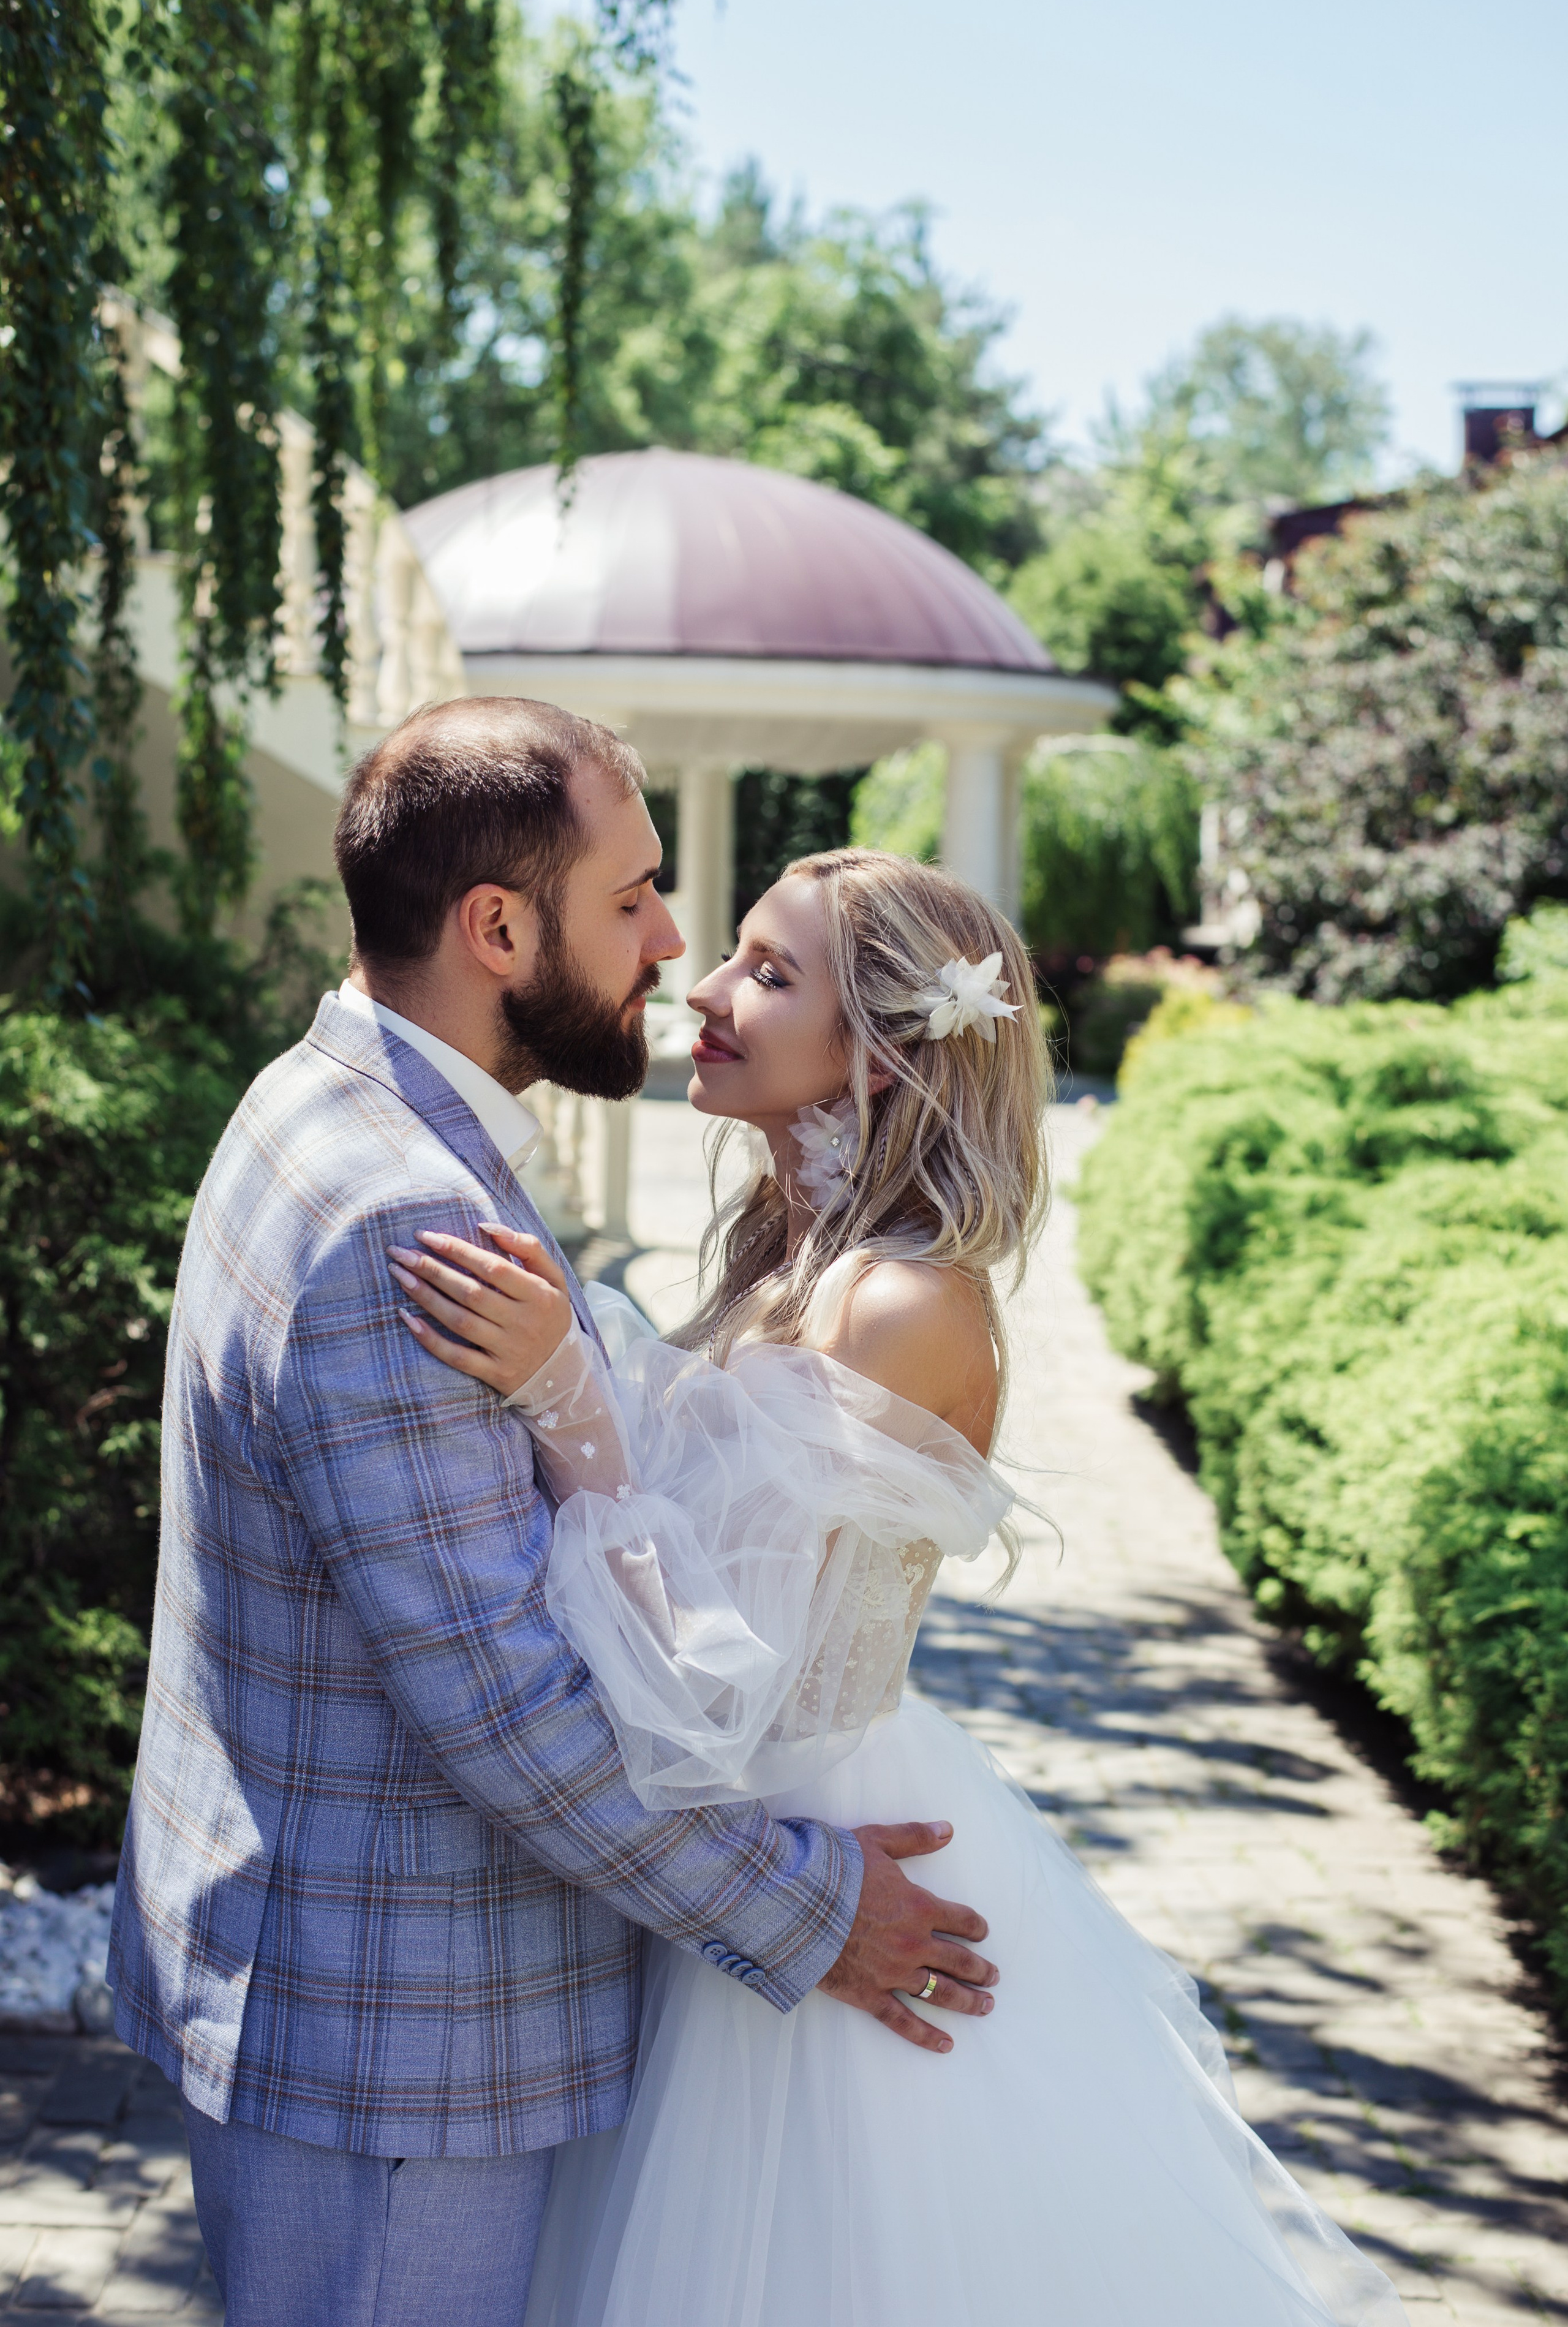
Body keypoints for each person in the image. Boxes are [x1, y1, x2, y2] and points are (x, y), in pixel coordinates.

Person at [394, 845, 1410, 2327]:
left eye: (770, 970)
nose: (710, 988)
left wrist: (564, 1392)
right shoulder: (791, 1252)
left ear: (880, 1052)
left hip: (828, 1856)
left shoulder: (903, 1303)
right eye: (734, 953)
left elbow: (715, 1678)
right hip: (731, 1856)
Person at [107, 701, 999, 2327]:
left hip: (402, 1989)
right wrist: (811, 1912)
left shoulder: (335, 1100)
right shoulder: (405, 1219)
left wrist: (583, 1405)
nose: (676, 949)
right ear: (498, 927)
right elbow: (513, 1712)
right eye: (636, 898)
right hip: (397, 2041)